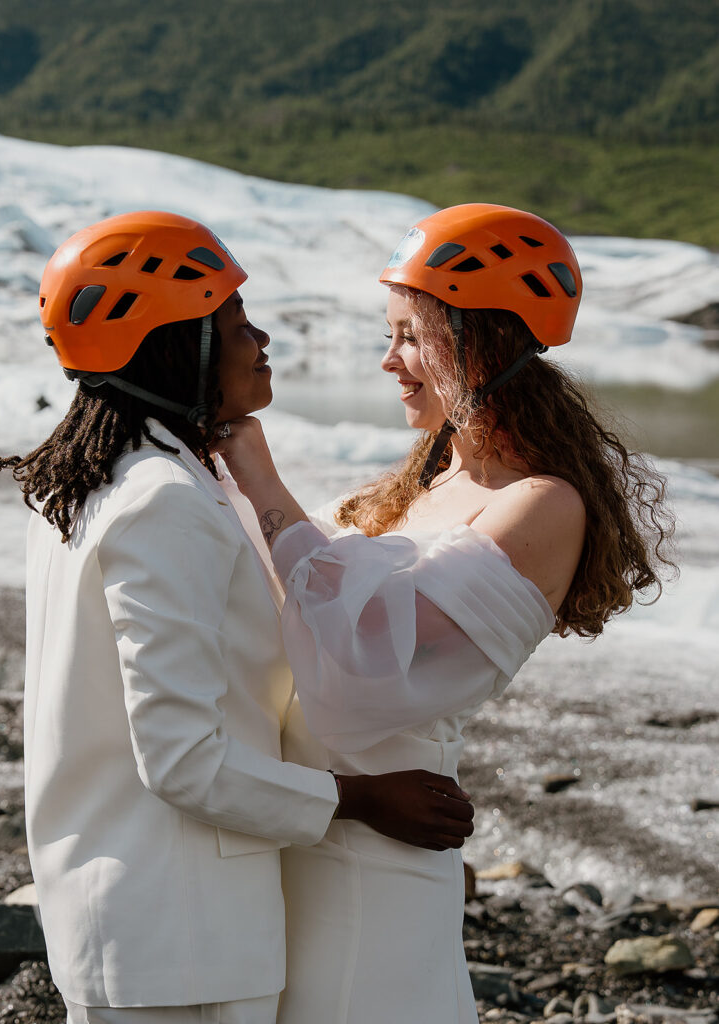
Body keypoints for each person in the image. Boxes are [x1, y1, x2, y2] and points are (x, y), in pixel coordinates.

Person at [0, 210, 474, 1024]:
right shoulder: (163, 501)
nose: (261, 341)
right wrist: (360, 799)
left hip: (136, 923)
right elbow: (182, 759)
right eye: (236, 324)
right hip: (188, 941)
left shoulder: (90, 480)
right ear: (176, 346)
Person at [215, 203, 674, 1024]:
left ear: (481, 342)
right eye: (387, 335)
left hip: (372, 860)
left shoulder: (540, 504)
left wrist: (256, 472)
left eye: (410, 336)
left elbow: (361, 653)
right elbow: (284, 586)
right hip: (306, 827)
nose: (388, 359)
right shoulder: (425, 477)